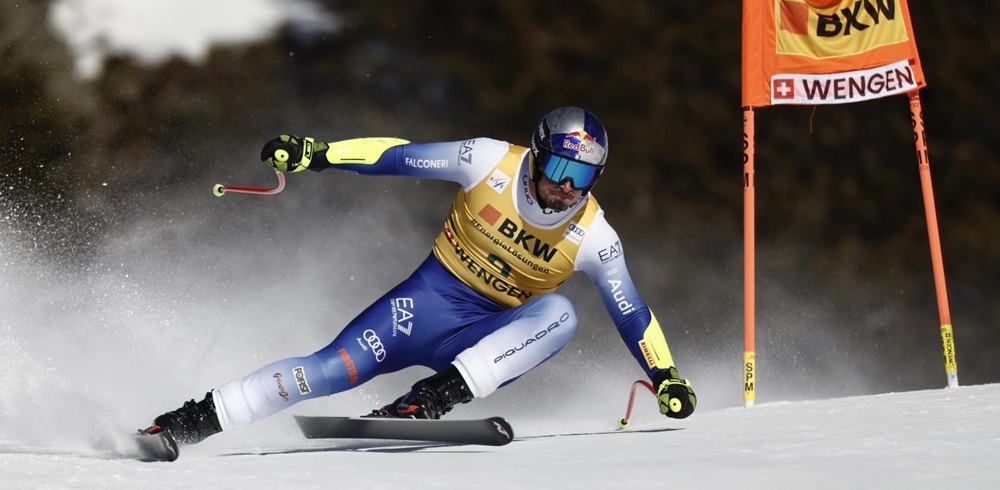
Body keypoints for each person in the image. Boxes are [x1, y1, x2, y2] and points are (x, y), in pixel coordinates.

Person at [140, 106, 696, 446]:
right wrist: (320, 154)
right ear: (537, 153)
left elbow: (631, 311)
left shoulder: (596, 236)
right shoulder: (487, 161)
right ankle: (188, 421)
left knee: (561, 314)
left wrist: (665, 375)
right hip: (420, 307)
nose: (567, 188)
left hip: (484, 337)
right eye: (559, 169)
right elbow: (398, 156)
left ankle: (430, 399)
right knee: (326, 371)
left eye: (583, 176)